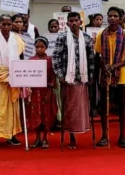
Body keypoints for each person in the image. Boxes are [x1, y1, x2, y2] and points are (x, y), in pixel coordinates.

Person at [94, 7, 125, 148]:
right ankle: (104, 136)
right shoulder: (101, 34)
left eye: (115, 16)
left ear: (121, 19)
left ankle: (122, 137)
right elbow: (97, 55)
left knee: (122, 106)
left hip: (121, 76)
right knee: (105, 107)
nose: (112, 18)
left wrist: (115, 66)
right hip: (105, 75)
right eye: (110, 15)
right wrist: (104, 67)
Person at [53, 12, 94, 149]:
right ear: (67, 23)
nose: (74, 23)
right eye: (71, 21)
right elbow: (56, 57)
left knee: (80, 109)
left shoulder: (87, 38)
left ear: (81, 22)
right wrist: (60, 75)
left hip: (82, 79)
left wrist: (91, 76)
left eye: (76, 20)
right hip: (68, 79)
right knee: (69, 109)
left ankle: (79, 131)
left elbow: (91, 59)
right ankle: (71, 137)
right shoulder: (62, 37)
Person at [0, 14, 25, 148]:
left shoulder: (18, 39)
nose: (7, 27)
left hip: (13, 75)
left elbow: (21, 57)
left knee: (13, 107)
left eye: (9, 24)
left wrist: (22, 74)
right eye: (4, 24)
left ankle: (11, 135)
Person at [26, 37, 57, 149]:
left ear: (46, 48)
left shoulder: (50, 60)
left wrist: (49, 92)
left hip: (46, 91)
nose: (39, 49)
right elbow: (28, 77)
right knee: (35, 115)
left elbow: (53, 77)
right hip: (35, 92)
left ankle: (45, 138)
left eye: (42, 47)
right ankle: (37, 138)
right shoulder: (31, 60)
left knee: (46, 115)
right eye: (37, 47)